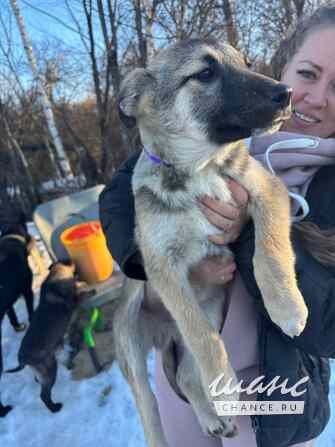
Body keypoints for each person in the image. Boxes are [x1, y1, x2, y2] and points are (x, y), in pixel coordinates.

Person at [99, 4, 335, 447]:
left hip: (275, 399)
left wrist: (248, 237)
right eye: (306, 73)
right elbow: (119, 191)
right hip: (189, 375)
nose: (317, 97)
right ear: (282, 66)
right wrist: (142, 266)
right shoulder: (212, 144)